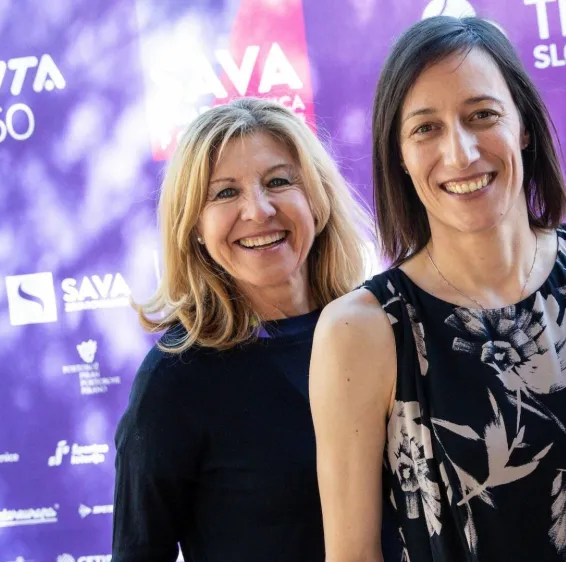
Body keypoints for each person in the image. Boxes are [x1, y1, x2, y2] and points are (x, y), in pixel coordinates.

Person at [309, 16, 566, 562]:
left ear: (524, 126)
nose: (461, 152)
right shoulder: (362, 331)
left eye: (481, 115)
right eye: (426, 128)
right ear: (399, 154)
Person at [112, 98, 381, 561]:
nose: (258, 211)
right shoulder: (177, 378)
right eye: (224, 193)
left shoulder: (380, 332)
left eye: (278, 181)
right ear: (194, 226)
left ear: (316, 200)